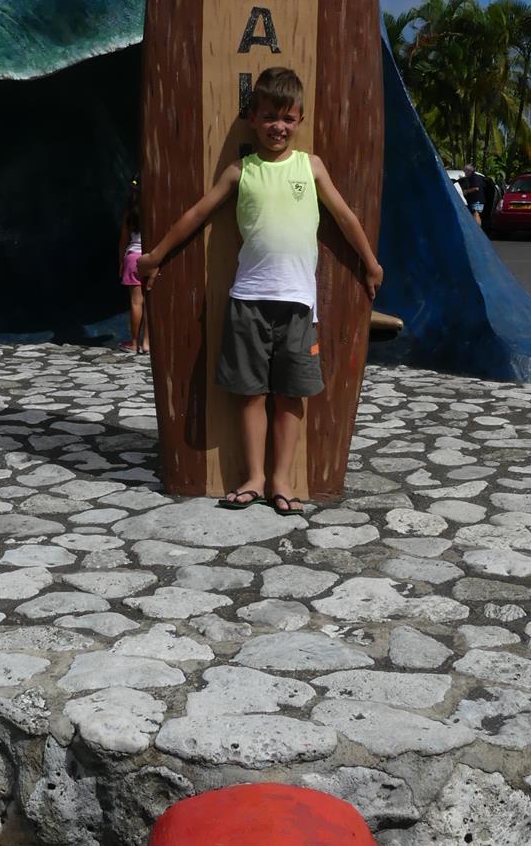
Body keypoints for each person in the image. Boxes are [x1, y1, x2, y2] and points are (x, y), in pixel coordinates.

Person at [137, 65, 383, 514]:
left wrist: (369, 263)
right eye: (270, 116)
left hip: (297, 306)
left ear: (301, 121)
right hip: (248, 301)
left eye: (288, 118)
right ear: (253, 118)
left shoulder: (311, 167)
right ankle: (252, 476)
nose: (279, 127)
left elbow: (345, 218)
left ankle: (281, 481)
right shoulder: (240, 171)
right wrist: (155, 255)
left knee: (290, 396)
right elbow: (196, 215)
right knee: (249, 393)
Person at [118, 181, 149, 354]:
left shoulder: (129, 215)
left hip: (132, 258)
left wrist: (121, 262)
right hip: (149, 259)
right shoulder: (154, 212)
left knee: (136, 302)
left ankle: (134, 343)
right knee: (151, 304)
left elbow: (123, 241)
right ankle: (147, 343)